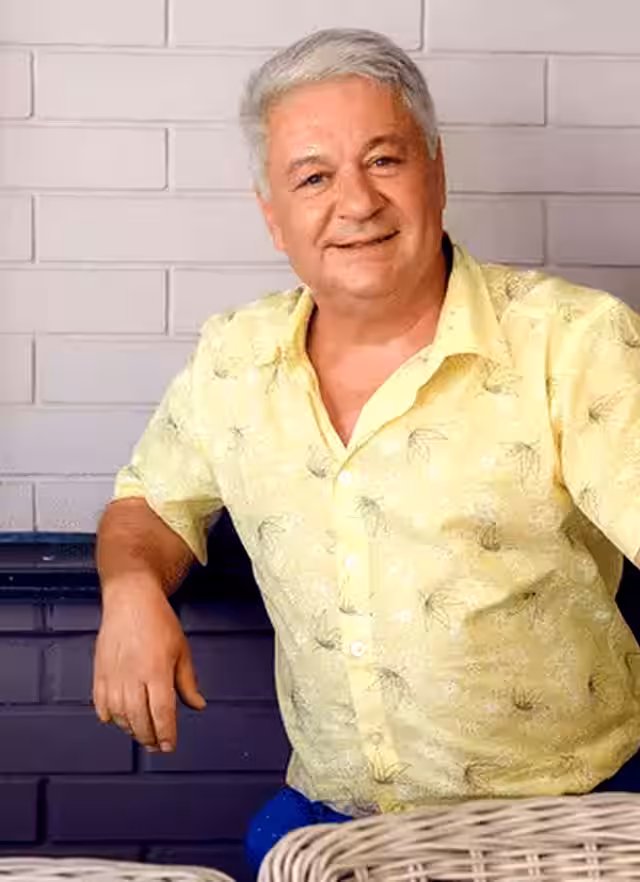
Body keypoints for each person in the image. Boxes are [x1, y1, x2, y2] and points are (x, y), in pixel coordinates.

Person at [92, 28, 640, 874]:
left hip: (571, 834)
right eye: (313, 177)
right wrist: (130, 587)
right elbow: (150, 503)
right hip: (330, 831)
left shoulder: (573, 340)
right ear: (274, 217)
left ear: (436, 173)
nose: (355, 203)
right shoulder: (234, 357)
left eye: (384, 160)